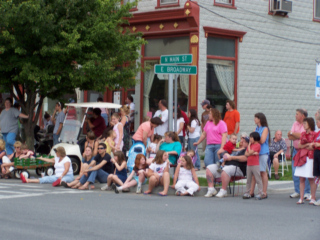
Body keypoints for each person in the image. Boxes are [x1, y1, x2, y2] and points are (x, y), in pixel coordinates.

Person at [288, 109, 311, 199]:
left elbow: (304, 135)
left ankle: (307, 192)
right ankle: (297, 191)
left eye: (297, 114)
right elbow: (290, 136)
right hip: (296, 150)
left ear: (302, 116)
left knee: (305, 171)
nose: (295, 116)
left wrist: (293, 134)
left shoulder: (307, 123)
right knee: (295, 171)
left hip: (304, 151)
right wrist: (295, 135)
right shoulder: (295, 123)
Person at [293, 117, 317, 204]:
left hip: (310, 157)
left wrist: (306, 145)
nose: (303, 125)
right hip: (302, 157)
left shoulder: (315, 134)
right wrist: (307, 144)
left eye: (305, 123)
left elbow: (313, 146)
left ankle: (313, 197)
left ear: (310, 124)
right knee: (301, 178)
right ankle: (301, 198)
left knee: (311, 178)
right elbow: (299, 146)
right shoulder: (303, 133)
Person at [250, 112, 270, 199]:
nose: (254, 119)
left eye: (255, 118)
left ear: (260, 119)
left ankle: (264, 192)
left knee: (262, 172)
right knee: (254, 173)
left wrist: (254, 140)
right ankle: (251, 192)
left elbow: (262, 140)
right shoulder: (256, 128)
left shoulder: (265, 129)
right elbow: (252, 139)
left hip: (263, 152)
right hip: (255, 152)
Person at [243, 132, 264, 200]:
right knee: (248, 179)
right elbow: (246, 154)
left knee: (258, 179)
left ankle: (260, 192)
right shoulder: (251, 145)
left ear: (255, 138)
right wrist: (250, 152)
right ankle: (247, 192)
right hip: (249, 164)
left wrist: (249, 146)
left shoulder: (257, 145)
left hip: (255, 164)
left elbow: (250, 152)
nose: (250, 139)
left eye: (251, 138)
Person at [312, 115, 320, 206]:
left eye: (317, 122)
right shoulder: (318, 133)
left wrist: (317, 145)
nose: (317, 124)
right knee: (317, 176)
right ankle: (313, 196)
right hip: (317, 154)